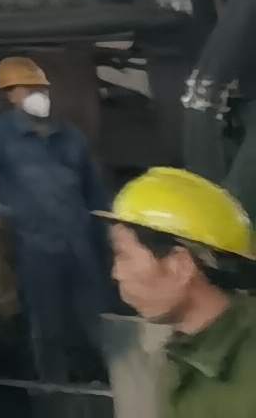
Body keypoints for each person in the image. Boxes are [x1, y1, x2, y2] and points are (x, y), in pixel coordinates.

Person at [0, 53, 113, 381]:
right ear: (10, 95)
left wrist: (109, 234)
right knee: (47, 325)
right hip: (34, 247)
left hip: (80, 243)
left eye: (41, 88)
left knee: (98, 318)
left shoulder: (70, 136)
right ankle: (53, 391)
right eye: (28, 88)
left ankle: (112, 384)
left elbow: (94, 191)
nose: (38, 94)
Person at [103, 168, 256, 418]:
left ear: (180, 265)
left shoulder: (244, 372)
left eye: (124, 255)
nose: (117, 273)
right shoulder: (186, 356)